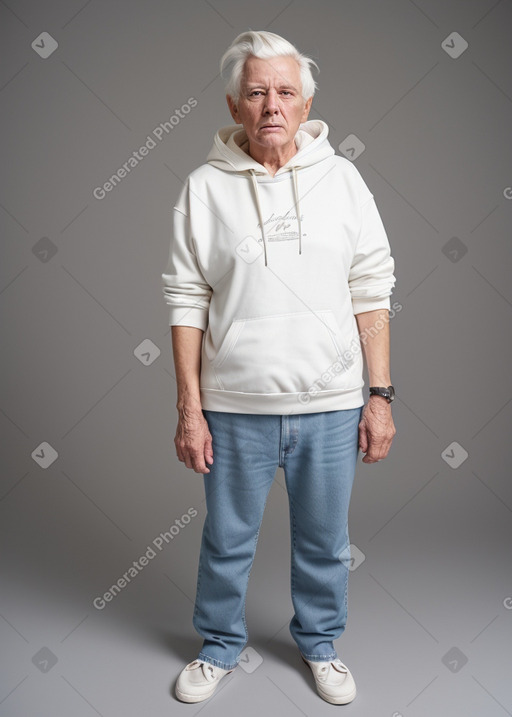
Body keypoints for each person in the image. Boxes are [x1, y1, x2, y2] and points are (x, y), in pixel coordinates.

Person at [161, 29, 397, 706]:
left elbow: (373, 288)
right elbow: (184, 298)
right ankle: (218, 645)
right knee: (226, 541)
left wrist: (378, 395)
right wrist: (189, 407)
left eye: (285, 91)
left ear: (307, 101)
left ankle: (321, 645)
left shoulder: (344, 180)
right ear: (234, 104)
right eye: (257, 92)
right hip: (234, 406)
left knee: (326, 542)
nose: (272, 104)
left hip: (332, 403)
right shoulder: (203, 189)